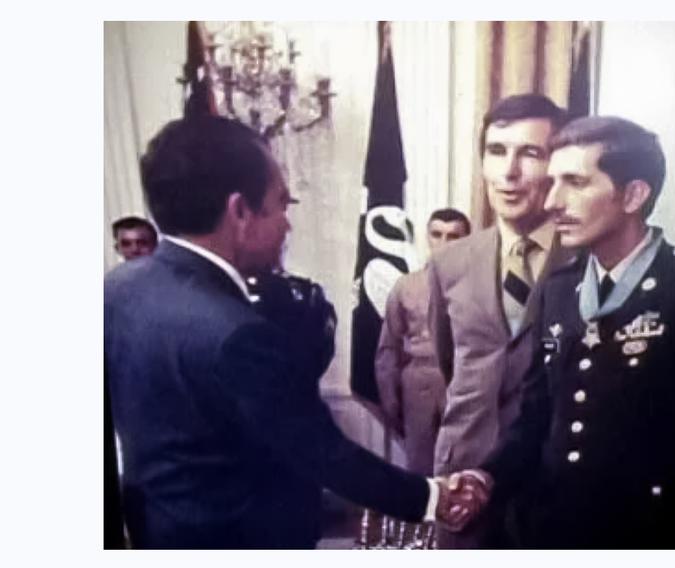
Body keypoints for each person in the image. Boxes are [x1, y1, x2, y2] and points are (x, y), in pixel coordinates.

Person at [104, 116, 468, 549]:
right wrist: (434, 496)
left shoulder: (119, 288)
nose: (286, 225)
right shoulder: (237, 333)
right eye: (282, 204)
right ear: (240, 211)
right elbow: (323, 454)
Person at [447, 116, 675, 548]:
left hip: (648, 533)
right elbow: (536, 416)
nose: (552, 201)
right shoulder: (560, 289)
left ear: (634, 194)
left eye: (575, 182)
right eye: (552, 182)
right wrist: (488, 475)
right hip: (550, 528)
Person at [427, 94, 571, 548]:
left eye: (530, 153)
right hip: (463, 482)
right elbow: (449, 361)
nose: (509, 173)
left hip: (554, 483)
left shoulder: (587, 262)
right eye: (496, 151)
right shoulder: (449, 262)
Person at [375, 208, 471, 475]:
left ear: (466, 240)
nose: (443, 243)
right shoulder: (406, 286)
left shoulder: (479, 287)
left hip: (464, 380)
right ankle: (424, 517)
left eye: (453, 236)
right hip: (419, 380)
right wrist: (390, 399)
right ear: (427, 237)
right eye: (437, 234)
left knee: (463, 462)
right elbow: (388, 348)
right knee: (420, 464)